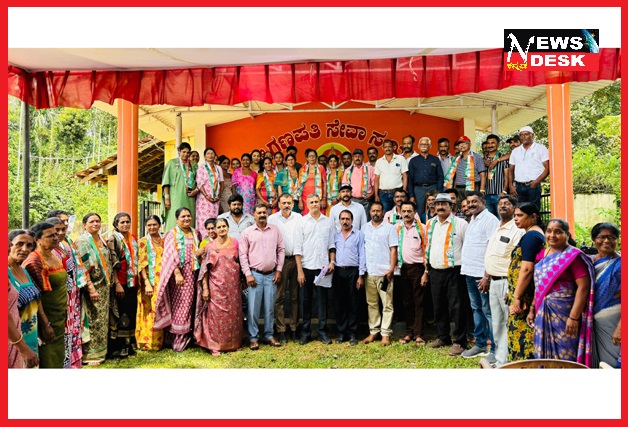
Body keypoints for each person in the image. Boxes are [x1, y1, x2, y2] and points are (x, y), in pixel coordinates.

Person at [528, 219, 595, 366]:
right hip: (542, 311)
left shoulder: (573, 257)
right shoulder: (541, 254)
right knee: (543, 353)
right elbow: (539, 285)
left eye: (558, 232)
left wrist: (574, 317)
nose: (552, 235)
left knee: (566, 352)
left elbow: (583, 287)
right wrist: (532, 308)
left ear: (567, 234)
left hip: (565, 314)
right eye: (549, 231)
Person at [480, 195, 524, 367]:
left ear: (514, 208)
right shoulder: (497, 227)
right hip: (494, 281)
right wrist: (487, 277)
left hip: (507, 282)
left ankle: (508, 360)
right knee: (497, 322)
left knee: (508, 322)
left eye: (507, 204)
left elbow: (518, 261)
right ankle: (500, 359)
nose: (502, 206)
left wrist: (513, 288)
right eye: (500, 204)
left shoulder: (517, 230)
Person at [424, 193, 469, 356]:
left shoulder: (461, 224)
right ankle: (443, 337)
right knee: (439, 306)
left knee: (457, 307)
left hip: (454, 271)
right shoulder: (430, 223)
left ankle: (460, 341)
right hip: (435, 271)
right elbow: (428, 246)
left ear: (452, 206)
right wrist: (426, 270)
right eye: (438, 204)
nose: (440, 206)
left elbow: (467, 247)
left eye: (444, 203)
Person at [154, 208, 202, 352]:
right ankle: (178, 341)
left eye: (188, 216)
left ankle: (189, 337)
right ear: (177, 219)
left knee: (192, 304)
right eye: (183, 216)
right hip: (180, 275)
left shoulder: (196, 233)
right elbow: (169, 255)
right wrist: (177, 273)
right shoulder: (172, 234)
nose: (186, 219)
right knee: (182, 305)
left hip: (194, 273)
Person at [194, 218, 243, 356]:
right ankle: (214, 345)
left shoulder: (235, 243)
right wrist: (205, 288)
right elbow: (204, 270)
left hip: (233, 287)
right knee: (216, 316)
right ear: (215, 230)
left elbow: (240, 261)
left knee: (233, 315)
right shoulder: (210, 246)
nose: (222, 229)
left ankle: (233, 343)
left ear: (228, 228)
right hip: (216, 286)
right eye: (219, 227)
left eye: (224, 226)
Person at [239, 204, 285, 350]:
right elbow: (242, 255)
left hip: (271, 275)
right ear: (254, 215)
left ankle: (269, 335)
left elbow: (281, 250)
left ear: (268, 214)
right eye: (259, 213)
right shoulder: (247, 233)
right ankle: (253, 337)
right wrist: (248, 274)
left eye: (264, 212)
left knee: (270, 307)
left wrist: (279, 270)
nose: (262, 215)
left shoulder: (275, 230)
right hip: (254, 276)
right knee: (253, 309)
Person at [23, 222, 68, 368]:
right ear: (37, 240)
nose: (56, 237)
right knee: (48, 359)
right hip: (47, 319)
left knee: (58, 357)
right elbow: (36, 297)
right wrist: (46, 324)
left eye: (56, 234)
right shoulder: (34, 261)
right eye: (50, 236)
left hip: (59, 317)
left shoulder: (54, 254)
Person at [459, 191, 498, 359]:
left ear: (483, 202)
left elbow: (492, 249)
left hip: (482, 275)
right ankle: (481, 344)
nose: (471, 205)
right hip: (470, 272)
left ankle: (495, 349)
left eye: (475, 201)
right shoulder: (473, 220)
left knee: (488, 311)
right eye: (469, 202)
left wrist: (486, 276)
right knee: (477, 309)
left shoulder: (490, 220)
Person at [295, 194, 336, 345]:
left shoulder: (328, 221)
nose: (314, 204)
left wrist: (332, 261)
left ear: (320, 203)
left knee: (322, 301)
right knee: (306, 301)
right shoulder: (302, 222)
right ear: (307, 204)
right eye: (311, 202)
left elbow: (332, 244)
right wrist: (299, 271)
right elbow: (297, 248)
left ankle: (322, 332)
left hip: (322, 268)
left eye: (316, 202)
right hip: (306, 266)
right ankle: (306, 333)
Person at [73, 213, 114, 366]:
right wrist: (90, 288)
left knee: (102, 320)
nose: (95, 224)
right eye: (91, 222)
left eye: (97, 221)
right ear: (85, 224)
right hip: (92, 287)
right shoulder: (82, 241)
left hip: (104, 286)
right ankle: (90, 355)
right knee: (92, 319)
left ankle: (101, 352)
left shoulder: (102, 239)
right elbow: (82, 267)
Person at [507, 203, 545, 361]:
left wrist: (517, 296)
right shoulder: (531, 234)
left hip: (525, 295)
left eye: (520, 215)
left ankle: (524, 365)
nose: (516, 219)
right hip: (521, 291)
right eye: (515, 215)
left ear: (533, 217)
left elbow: (527, 268)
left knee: (522, 334)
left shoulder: (532, 236)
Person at [46, 217, 85, 368]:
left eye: (63, 229)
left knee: (69, 330)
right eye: (57, 230)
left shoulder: (64, 246)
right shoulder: (49, 252)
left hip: (71, 295)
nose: (61, 233)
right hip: (59, 298)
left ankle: (70, 362)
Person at [362, 201, 398, 346]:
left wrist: (391, 269)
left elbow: (394, 250)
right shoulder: (365, 228)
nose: (375, 213)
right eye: (373, 211)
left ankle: (385, 334)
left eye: (378, 211)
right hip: (369, 272)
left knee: (387, 304)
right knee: (371, 303)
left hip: (385, 273)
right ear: (370, 212)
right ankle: (374, 331)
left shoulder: (390, 228)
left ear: (383, 212)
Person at [268, 193, 303, 343]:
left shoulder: (299, 218)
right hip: (279, 263)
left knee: (295, 297)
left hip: (296, 261)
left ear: (292, 204)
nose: (287, 205)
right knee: (279, 297)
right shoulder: (272, 219)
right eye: (284, 203)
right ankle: (281, 330)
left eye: (289, 203)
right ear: (279, 204)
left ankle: (294, 329)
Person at [395, 201, 428, 346]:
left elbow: (427, 250)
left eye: (409, 211)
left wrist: (426, 272)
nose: (407, 214)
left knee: (419, 302)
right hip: (402, 269)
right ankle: (409, 332)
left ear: (415, 213)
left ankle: (418, 334)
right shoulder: (397, 228)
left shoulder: (422, 228)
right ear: (400, 213)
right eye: (404, 211)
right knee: (407, 302)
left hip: (418, 269)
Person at [107, 213, 139, 358]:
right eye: (122, 222)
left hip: (132, 281)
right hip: (120, 282)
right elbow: (112, 263)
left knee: (131, 311)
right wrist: (117, 283)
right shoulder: (113, 239)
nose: (125, 224)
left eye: (127, 222)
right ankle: (119, 347)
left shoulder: (133, 239)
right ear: (116, 224)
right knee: (121, 313)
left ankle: (129, 344)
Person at [333, 209, 366, 346]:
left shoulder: (358, 234)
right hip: (338, 271)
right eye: (342, 219)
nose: (345, 221)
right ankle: (342, 333)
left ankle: (353, 333)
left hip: (353, 272)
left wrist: (361, 275)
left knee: (353, 303)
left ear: (352, 221)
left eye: (347, 219)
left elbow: (362, 254)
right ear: (339, 221)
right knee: (340, 303)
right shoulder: (335, 235)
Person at [590, 222, 621, 368]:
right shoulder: (588, 261)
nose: (607, 241)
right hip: (591, 323)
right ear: (593, 240)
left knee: (614, 363)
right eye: (602, 237)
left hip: (614, 322)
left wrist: (621, 327)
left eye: (612, 237)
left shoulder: (621, 263)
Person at [8, 230, 40, 368]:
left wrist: (45, 324)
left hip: (31, 334)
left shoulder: (23, 270)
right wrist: (22, 347)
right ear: (9, 245)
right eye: (19, 244)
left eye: (29, 245)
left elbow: (35, 298)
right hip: (14, 338)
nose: (25, 249)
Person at [136, 215, 165, 351]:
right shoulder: (143, 242)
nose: (152, 227)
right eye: (149, 225)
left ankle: (161, 340)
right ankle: (147, 341)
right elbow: (142, 264)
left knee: (161, 308)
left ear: (159, 225)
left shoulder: (164, 240)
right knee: (149, 310)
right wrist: (147, 282)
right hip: (149, 281)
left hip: (163, 280)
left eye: (155, 224)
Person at [509, 126, 550, 210]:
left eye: (526, 134)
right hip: (519, 187)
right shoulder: (515, 151)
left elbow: (548, 168)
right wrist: (511, 185)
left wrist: (537, 181)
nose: (523, 137)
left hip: (533, 186)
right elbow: (511, 169)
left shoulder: (540, 148)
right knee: (520, 212)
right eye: (521, 135)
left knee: (533, 211)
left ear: (532, 135)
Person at [162, 142, 199, 233]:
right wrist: (167, 198)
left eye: (188, 152)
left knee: (189, 217)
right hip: (175, 197)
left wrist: (196, 190)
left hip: (190, 197)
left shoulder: (193, 165)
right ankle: (172, 238)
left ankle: (189, 238)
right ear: (179, 151)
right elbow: (166, 182)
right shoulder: (172, 163)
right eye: (184, 152)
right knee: (175, 217)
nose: (186, 154)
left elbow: (199, 180)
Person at [408, 137, 444, 218]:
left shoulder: (435, 159)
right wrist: (411, 196)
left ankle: (435, 224)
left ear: (430, 146)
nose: (423, 146)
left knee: (435, 209)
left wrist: (439, 192)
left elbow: (440, 177)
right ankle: (420, 225)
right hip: (418, 189)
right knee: (419, 211)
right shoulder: (413, 161)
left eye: (426, 144)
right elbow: (410, 179)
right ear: (418, 146)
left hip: (433, 188)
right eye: (422, 144)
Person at [374, 139, 408, 213]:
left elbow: (405, 176)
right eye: (385, 147)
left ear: (393, 147)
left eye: (389, 146)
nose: (387, 148)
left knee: (399, 213)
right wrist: (376, 194)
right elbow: (376, 179)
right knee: (386, 215)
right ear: (383, 148)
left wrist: (404, 191)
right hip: (383, 194)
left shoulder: (400, 159)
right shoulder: (379, 162)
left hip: (398, 193)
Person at [196, 148, 224, 236]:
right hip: (204, 199)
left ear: (215, 156)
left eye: (212, 153)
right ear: (205, 156)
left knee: (214, 220)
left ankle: (214, 239)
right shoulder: (201, 167)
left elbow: (222, 183)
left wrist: (219, 196)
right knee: (203, 220)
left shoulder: (218, 168)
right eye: (208, 153)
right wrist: (206, 196)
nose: (210, 155)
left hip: (215, 199)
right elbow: (199, 183)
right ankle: (203, 239)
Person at [483, 134, 510, 219]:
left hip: (499, 195)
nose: (490, 145)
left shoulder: (503, 158)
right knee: (489, 221)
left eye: (493, 143)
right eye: (488, 143)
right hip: (486, 195)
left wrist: (504, 192)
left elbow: (507, 177)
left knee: (501, 219)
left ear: (498, 144)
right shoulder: (483, 160)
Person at [342, 148, 374, 218]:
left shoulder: (369, 169)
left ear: (363, 157)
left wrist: (372, 194)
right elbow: (345, 186)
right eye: (355, 156)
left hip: (366, 200)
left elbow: (374, 184)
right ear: (353, 158)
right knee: (354, 219)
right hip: (353, 200)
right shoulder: (348, 170)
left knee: (366, 220)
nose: (357, 158)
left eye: (359, 156)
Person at [296, 148, 327, 215]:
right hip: (305, 197)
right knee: (307, 216)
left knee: (318, 215)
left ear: (316, 157)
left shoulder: (321, 168)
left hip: (318, 197)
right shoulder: (302, 169)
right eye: (310, 156)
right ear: (307, 158)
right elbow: (299, 186)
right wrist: (300, 200)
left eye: (313, 156)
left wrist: (324, 199)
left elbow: (324, 183)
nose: (312, 158)